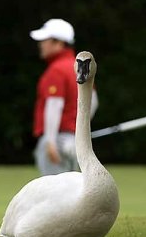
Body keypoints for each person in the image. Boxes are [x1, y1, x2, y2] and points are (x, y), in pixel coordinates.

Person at [29, 18, 98, 176]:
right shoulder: (79, 68)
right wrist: (79, 131)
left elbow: (54, 106)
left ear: (58, 43)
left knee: (55, 194)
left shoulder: (56, 70)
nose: (41, 44)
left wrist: (50, 141)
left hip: (57, 140)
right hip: (75, 143)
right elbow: (93, 100)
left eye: (45, 40)